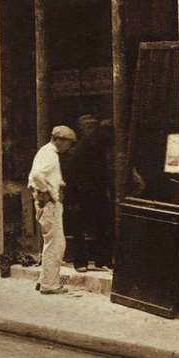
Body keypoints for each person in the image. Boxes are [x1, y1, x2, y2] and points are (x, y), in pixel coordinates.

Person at [27, 125, 76, 294]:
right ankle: (50, 284)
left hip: (45, 202)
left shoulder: (46, 151)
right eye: (68, 143)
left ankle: (44, 280)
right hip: (48, 204)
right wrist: (47, 192)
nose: (69, 146)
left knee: (51, 243)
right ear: (58, 140)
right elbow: (36, 176)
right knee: (56, 244)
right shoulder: (50, 154)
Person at [63, 114, 111, 271]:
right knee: (79, 229)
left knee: (102, 226)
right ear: (81, 129)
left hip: (97, 192)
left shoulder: (99, 148)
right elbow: (69, 176)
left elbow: (103, 171)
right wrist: (72, 198)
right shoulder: (75, 150)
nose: (91, 129)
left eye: (93, 126)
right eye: (87, 126)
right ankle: (81, 262)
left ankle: (102, 260)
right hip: (79, 193)